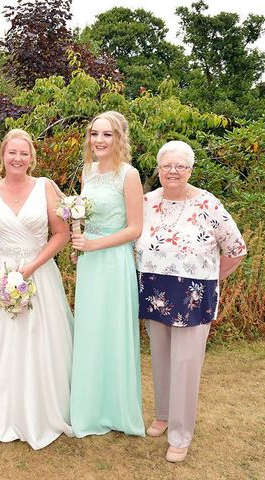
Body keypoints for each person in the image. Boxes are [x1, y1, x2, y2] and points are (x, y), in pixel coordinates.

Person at [136, 140, 246, 462]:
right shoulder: (145, 201)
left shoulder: (209, 204)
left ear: (190, 170)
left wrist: (210, 280)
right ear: (158, 170)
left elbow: (236, 248)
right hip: (154, 292)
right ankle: (163, 414)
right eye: (167, 165)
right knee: (160, 357)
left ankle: (181, 434)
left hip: (193, 297)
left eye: (180, 166)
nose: (173, 171)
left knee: (185, 364)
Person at [0, 129, 74, 449]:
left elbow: (61, 234)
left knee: (40, 340)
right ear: (2, 156)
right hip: (0, 272)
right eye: (12, 152)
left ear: (32, 158)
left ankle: (42, 409)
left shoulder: (45, 188)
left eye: (23, 153)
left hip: (37, 273)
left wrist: (30, 267)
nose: (17, 158)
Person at [70, 111, 145, 437]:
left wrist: (95, 243)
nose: (98, 140)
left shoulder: (128, 175)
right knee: (90, 328)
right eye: (94, 134)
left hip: (114, 261)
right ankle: (89, 407)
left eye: (106, 134)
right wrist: (79, 243)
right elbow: (87, 216)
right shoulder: (88, 171)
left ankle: (116, 410)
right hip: (90, 261)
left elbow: (135, 228)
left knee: (113, 329)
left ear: (119, 138)